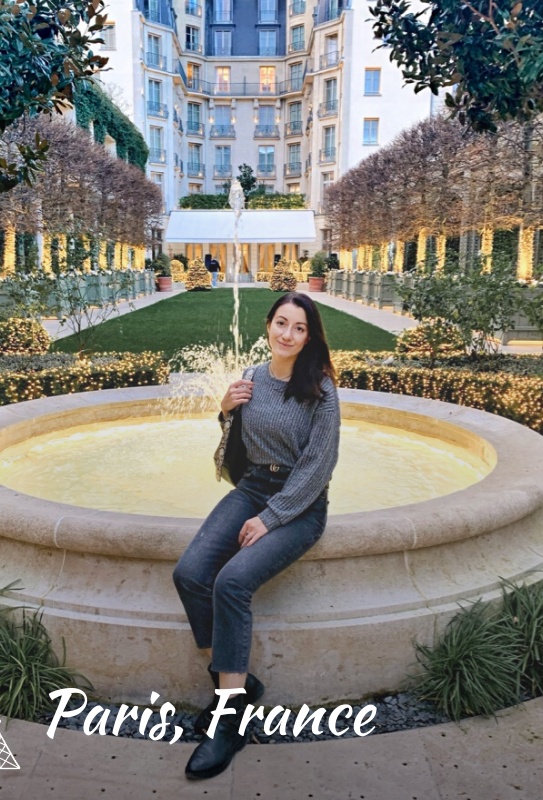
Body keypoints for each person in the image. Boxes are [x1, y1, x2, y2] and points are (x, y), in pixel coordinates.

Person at [173, 291, 341, 780]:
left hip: (300, 505)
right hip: (253, 488)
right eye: (281, 323)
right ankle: (237, 684)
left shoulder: (322, 390)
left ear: (310, 336)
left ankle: (230, 720)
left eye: (299, 328)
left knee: (232, 582)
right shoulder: (250, 377)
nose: (287, 335)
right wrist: (225, 410)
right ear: (268, 325)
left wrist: (273, 517)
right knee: (190, 574)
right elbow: (237, 450)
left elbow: (318, 467)